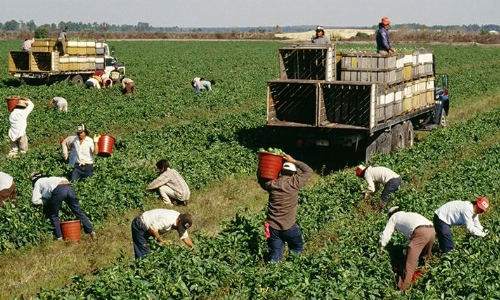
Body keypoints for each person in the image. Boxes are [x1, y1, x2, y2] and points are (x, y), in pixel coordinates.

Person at [258, 154, 313, 262]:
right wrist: (294, 160)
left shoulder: (272, 184)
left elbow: (261, 179)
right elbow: (308, 171)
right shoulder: (294, 183)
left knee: (275, 255)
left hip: (272, 227)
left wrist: (262, 165)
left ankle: (273, 274)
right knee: (296, 248)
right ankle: (291, 269)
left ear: (281, 172)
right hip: (289, 226)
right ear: (294, 174)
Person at [379, 206, 435, 291]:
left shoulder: (394, 217)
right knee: (424, 259)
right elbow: (413, 237)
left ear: (391, 214)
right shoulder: (408, 215)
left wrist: (381, 247)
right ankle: (425, 281)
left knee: (409, 263)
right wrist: (403, 246)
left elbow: (386, 233)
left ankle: (402, 289)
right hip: (432, 231)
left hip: (420, 232)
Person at [30, 172, 96, 241]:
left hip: (59, 190)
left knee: (53, 215)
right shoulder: (50, 179)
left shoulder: (38, 182)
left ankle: (59, 237)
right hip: (69, 187)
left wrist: (46, 201)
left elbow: (35, 201)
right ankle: (91, 232)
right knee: (78, 211)